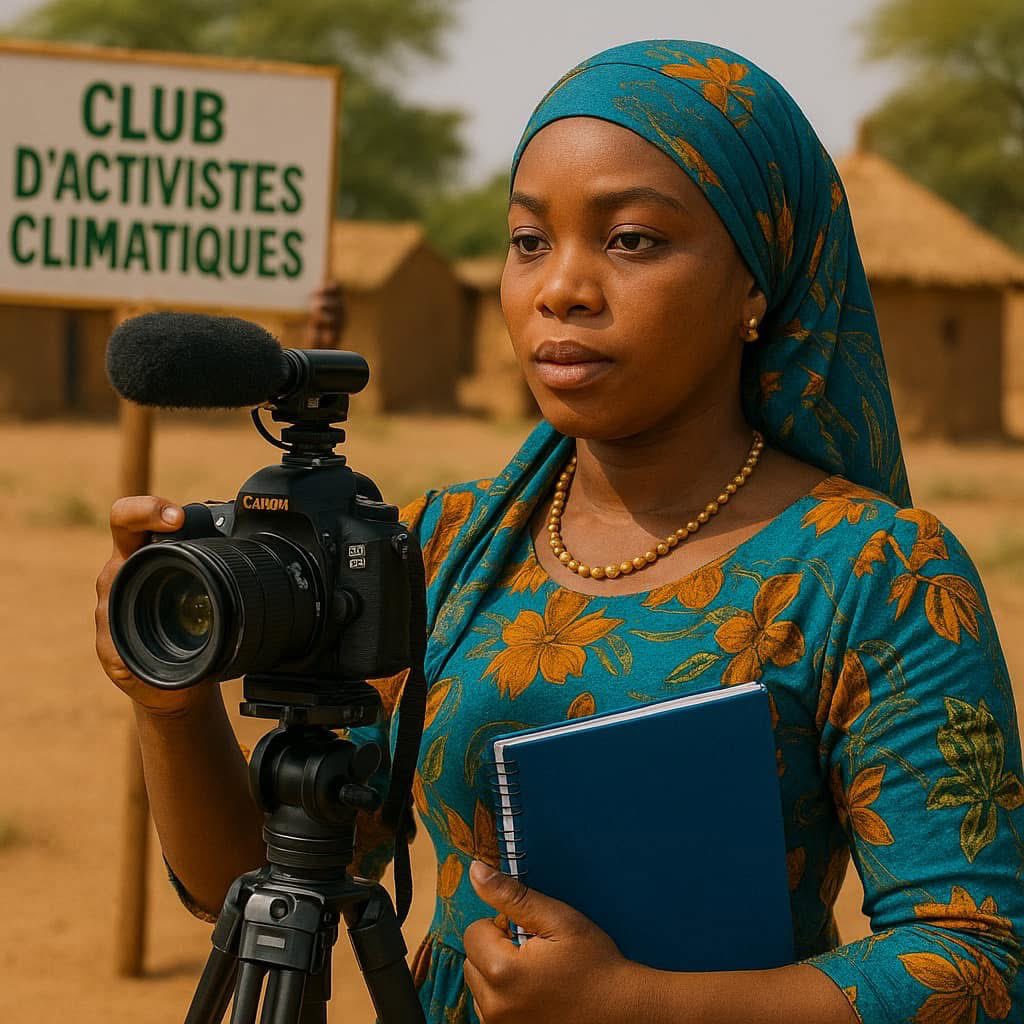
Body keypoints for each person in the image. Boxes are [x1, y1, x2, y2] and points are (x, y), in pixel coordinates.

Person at [94, 40, 1024, 1024]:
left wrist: (639, 1005)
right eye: (529, 240)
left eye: (632, 240)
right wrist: (170, 705)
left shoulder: (875, 572)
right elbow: (248, 879)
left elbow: (980, 962)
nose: (561, 288)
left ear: (756, 284)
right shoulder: (442, 544)